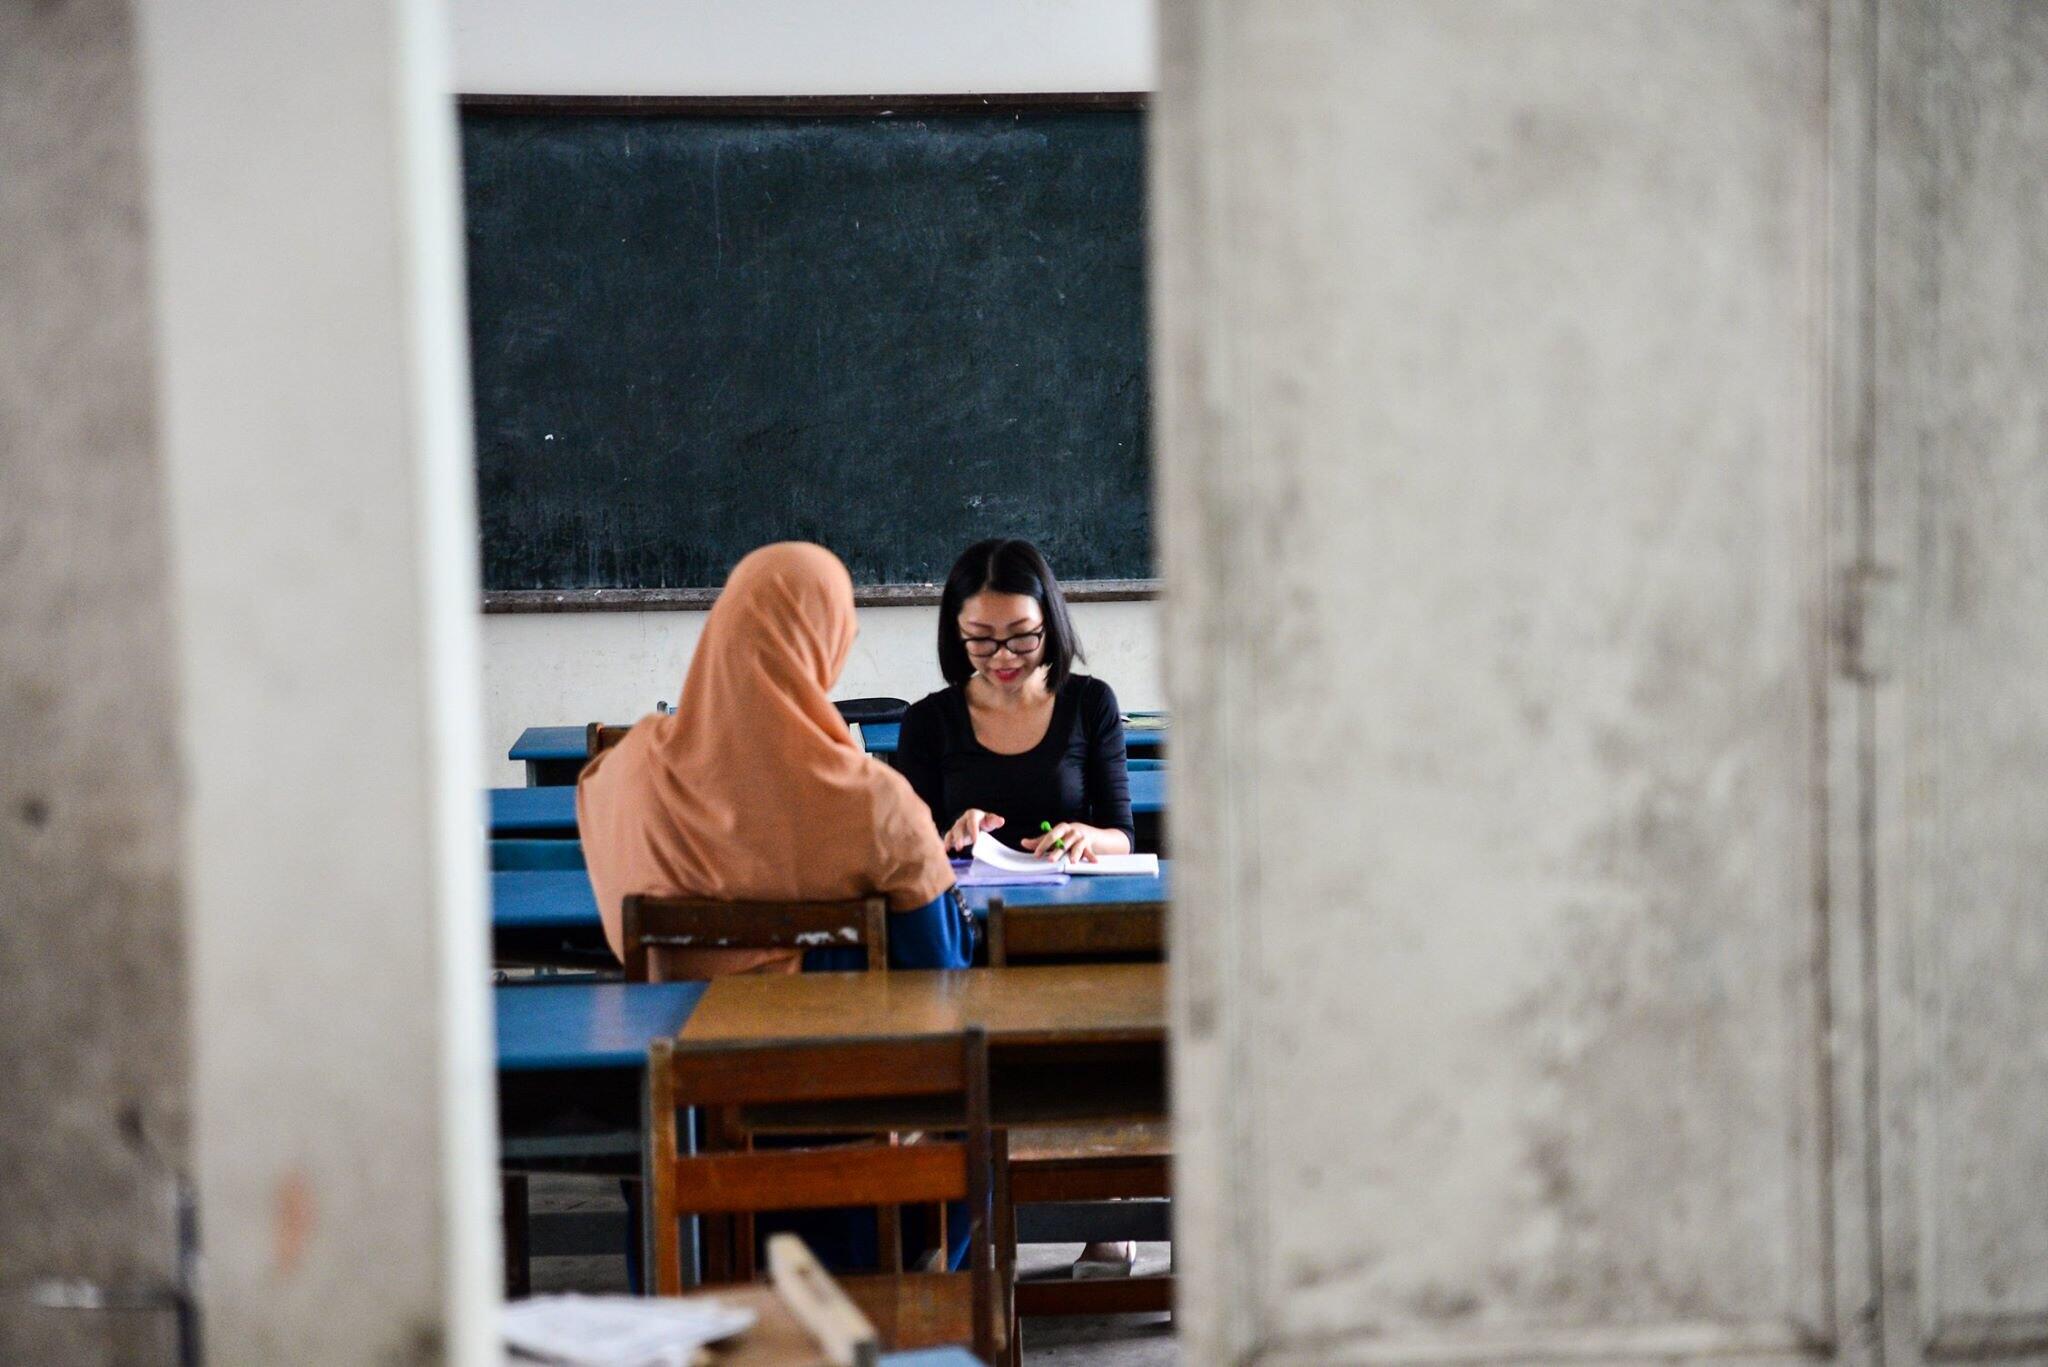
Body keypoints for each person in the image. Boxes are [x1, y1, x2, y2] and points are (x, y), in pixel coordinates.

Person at [895, 537, 1138, 1277]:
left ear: (1051, 625)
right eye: (981, 640)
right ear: (955, 633)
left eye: (1023, 637)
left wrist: (1088, 835)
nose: (1004, 655)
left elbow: (1123, 830)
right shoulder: (930, 721)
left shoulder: (1090, 703)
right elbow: (907, 850)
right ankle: (954, 1223)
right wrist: (949, 834)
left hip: (1068, 930)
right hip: (967, 939)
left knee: (1103, 1038)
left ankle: (1109, 1216)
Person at [577, 541, 972, 980]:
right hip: (829, 1041)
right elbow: (942, 962)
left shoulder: (625, 767)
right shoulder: (878, 804)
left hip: (667, 1034)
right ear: (823, 644)